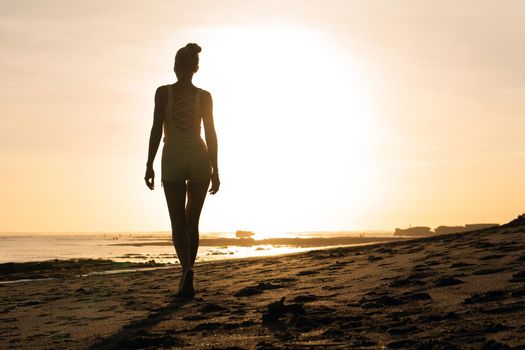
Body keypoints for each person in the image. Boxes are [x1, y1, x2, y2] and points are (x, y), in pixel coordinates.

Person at [144, 43, 220, 299]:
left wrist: (149, 164)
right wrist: (216, 169)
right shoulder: (205, 96)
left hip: (173, 156)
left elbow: (156, 129)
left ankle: (186, 270)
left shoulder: (162, 93)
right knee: (192, 223)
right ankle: (189, 271)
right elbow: (210, 134)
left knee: (178, 223)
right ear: (195, 69)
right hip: (199, 157)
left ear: (175, 67)